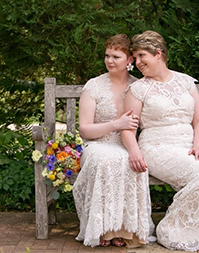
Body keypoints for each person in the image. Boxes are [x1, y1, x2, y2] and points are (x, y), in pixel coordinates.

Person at [121, 30, 199, 251]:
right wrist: (134, 151)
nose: (137, 62)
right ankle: (170, 230)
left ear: (158, 53)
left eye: (142, 56)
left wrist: (198, 145)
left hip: (189, 146)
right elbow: (127, 129)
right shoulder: (138, 89)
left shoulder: (186, 82)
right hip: (157, 147)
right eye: (136, 57)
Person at [72, 34, 152, 248]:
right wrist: (117, 124)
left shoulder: (138, 87)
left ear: (129, 60)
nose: (109, 61)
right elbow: (85, 130)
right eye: (107, 56)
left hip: (127, 145)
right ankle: (103, 230)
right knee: (107, 160)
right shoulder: (94, 86)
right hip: (98, 144)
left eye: (116, 56)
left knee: (130, 161)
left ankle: (124, 231)